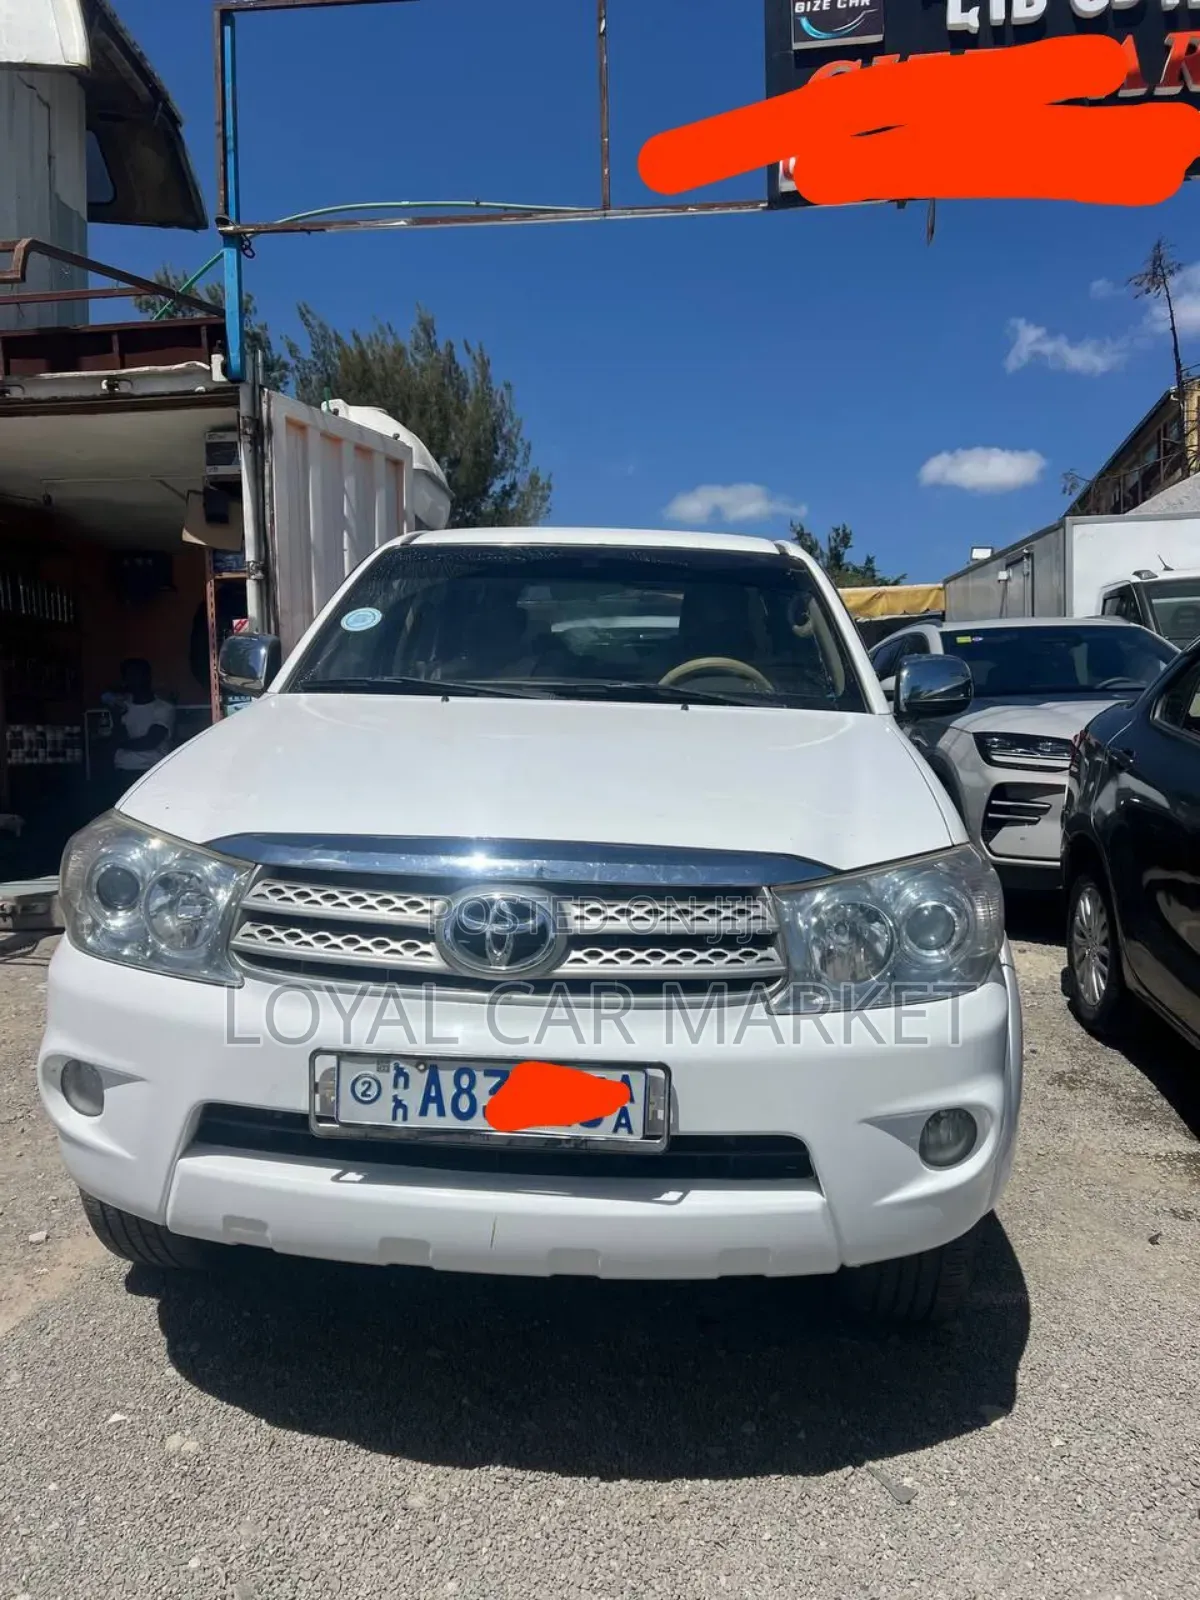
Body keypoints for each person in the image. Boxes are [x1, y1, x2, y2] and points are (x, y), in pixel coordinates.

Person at [102, 660, 176, 799]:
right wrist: (116, 717)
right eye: (130, 676)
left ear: (148, 677)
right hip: (123, 772)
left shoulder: (164, 708)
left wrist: (118, 743)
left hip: (152, 772)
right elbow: (118, 736)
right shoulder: (121, 707)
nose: (135, 680)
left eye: (138, 675)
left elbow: (150, 742)